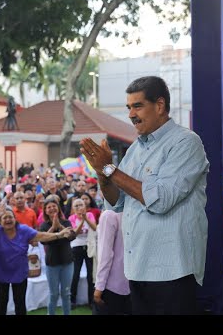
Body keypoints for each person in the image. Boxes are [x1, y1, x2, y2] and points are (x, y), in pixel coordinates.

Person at [80, 75, 209, 315]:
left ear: (159, 106)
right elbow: (116, 201)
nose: (131, 114)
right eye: (129, 107)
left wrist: (110, 169)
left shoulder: (186, 142)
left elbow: (161, 199)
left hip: (172, 270)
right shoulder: (136, 149)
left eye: (137, 106)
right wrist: (102, 172)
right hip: (137, 269)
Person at [0, 202, 73, 315]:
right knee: (1, 302)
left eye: (10, 217)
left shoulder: (23, 230)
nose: (8, 220)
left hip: (19, 271)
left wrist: (59, 235)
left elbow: (41, 236)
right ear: (0, 221)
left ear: (15, 219)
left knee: (20, 302)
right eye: (4, 218)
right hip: (1, 271)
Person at [39, 198, 75, 315]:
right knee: (53, 294)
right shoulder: (44, 225)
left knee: (66, 294)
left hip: (67, 262)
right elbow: (43, 240)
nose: (52, 208)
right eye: (48, 207)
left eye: (54, 206)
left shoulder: (66, 223)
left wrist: (60, 226)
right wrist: (54, 228)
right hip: (52, 263)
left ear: (58, 208)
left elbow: (71, 236)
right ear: (45, 211)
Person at [93, 210, 131, 315]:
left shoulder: (109, 215)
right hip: (134, 283)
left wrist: (99, 286)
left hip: (111, 285)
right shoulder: (136, 211)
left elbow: (105, 255)